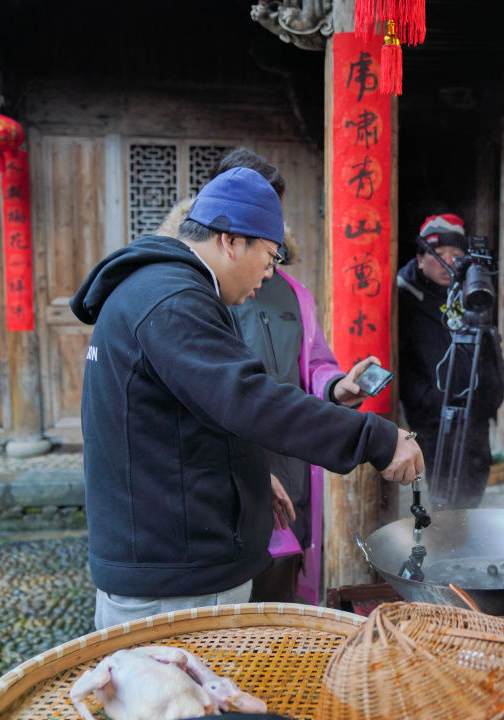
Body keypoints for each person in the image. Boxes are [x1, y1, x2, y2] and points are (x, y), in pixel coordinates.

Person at [71, 166, 423, 629]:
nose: (269, 273)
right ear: (232, 241)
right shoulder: (173, 300)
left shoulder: (163, 289)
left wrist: (250, 472)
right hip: (174, 578)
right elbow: (251, 398)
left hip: (175, 553)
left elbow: (199, 410)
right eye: (271, 256)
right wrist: (378, 438)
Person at [157, 148, 377, 605]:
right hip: (228, 466)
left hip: (292, 459)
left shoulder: (293, 291)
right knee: (233, 587)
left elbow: (314, 362)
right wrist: (248, 467)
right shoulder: (193, 294)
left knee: (285, 575)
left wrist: (337, 387)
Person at [397, 214, 504, 508]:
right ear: (420, 259)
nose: (448, 263)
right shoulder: (405, 296)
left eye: (456, 255)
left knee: (476, 470)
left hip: (475, 407)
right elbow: (401, 360)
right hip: (432, 413)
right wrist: (425, 398)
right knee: (442, 482)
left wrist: (492, 396)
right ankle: (445, 540)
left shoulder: (470, 291)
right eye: (438, 255)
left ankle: (467, 534)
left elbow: (489, 349)